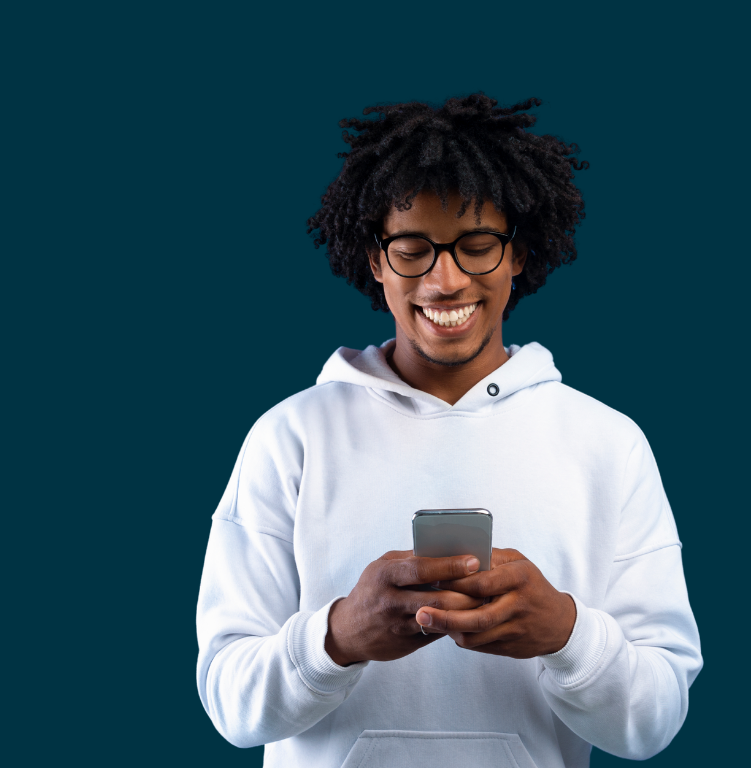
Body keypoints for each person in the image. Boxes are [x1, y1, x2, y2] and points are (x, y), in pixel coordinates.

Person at [196, 94, 702, 767]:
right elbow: (230, 704)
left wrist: (567, 634)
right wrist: (338, 638)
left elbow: (655, 720)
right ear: (375, 263)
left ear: (517, 254)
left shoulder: (607, 444)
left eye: (476, 246)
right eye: (412, 250)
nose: (446, 279)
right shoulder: (289, 438)